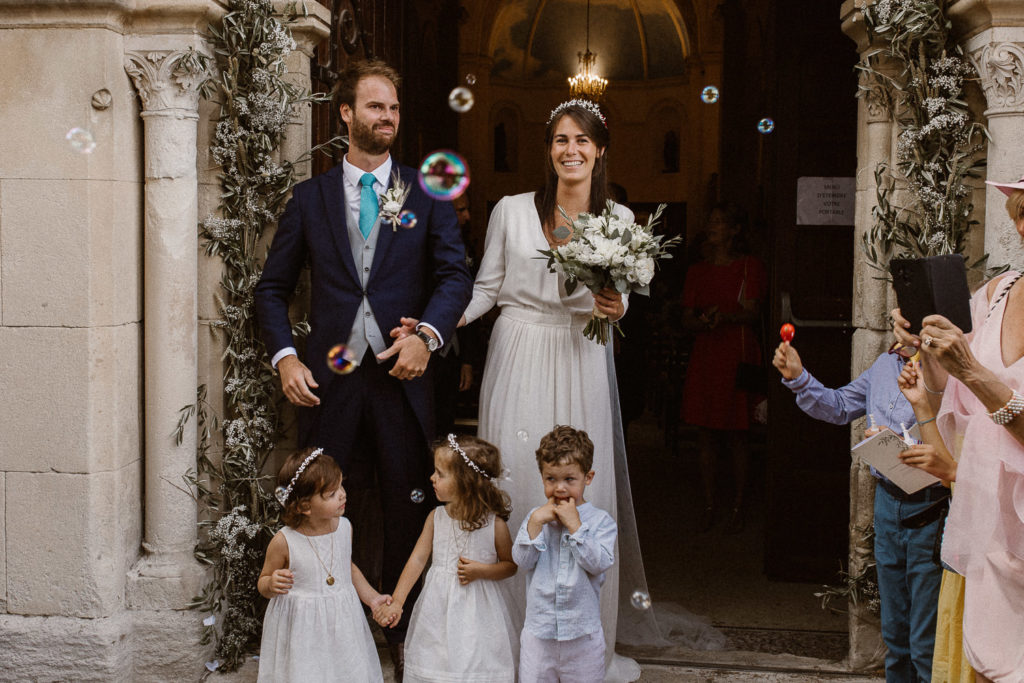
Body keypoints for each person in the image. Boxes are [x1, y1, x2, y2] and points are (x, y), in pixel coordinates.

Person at [253, 59, 473, 677]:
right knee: (321, 509)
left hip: (404, 382)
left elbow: (456, 276)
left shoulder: (425, 192)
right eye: (375, 106)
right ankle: (322, 644)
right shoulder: (311, 199)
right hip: (330, 383)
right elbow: (271, 290)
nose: (388, 118)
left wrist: (427, 336)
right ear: (345, 113)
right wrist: (285, 356)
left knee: (409, 505)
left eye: (394, 108)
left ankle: (400, 635)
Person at [456, 98, 650, 680]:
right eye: (561, 140)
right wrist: (445, 324)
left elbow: (617, 306)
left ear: (599, 151)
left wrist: (615, 308)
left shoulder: (618, 220)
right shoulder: (512, 211)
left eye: (582, 141)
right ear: (549, 150)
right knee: (515, 478)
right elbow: (487, 287)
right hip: (517, 350)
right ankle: (514, 645)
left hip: (581, 354)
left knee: (580, 492)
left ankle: (584, 646)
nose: (571, 150)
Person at [891, 173, 1024, 681]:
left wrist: (970, 369)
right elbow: (952, 389)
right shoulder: (995, 293)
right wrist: (925, 347)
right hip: (983, 523)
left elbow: (972, 374)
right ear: (1017, 220)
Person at [772, 339, 948, 681]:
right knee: (895, 635)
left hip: (931, 507)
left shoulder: (947, 371)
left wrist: (902, 444)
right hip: (887, 503)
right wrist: (798, 377)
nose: (898, 321)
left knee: (926, 641)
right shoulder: (884, 365)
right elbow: (839, 406)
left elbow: (958, 439)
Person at [374, 434, 518, 682]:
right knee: (436, 659)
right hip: (437, 607)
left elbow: (509, 566)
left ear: (466, 483)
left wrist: (482, 571)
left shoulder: (495, 525)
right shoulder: (436, 517)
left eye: (440, 474)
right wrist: (398, 600)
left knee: (474, 662)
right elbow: (417, 560)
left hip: (478, 612)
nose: (432, 478)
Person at [257, 448, 388, 682]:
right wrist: (271, 583)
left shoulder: (344, 527)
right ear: (304, 507)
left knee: (344, 669)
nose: (343, 495)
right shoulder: (284, 542)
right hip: (302, 628)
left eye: (341, 486)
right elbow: (263, 582)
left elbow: (346, 567)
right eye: (331, 493)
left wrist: (372, 598)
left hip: (342, 620)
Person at [681, 203, 765, 533]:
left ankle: (738, 504)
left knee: (737, 433)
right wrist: (703, 320)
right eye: (710, 220)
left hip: (737, 350)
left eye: (720, 221)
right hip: (707, 351)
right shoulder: (697, 271)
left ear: (734, 230)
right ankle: (709, 503)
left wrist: (725, 317)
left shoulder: (749, 266)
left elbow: (753, 312)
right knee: (705, 431)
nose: (712, 225)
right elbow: (686, 316)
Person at [512, 426, 617, 683]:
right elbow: (522, 561)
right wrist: (536, 522)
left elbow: (599, 563)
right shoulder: (536, 518)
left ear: (587, 477)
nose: (560, 488)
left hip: (583, 638)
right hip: (539, 635)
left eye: (569, 479)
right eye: (551, 479)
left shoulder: (601, 522)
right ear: (542, 477)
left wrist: (576, 527)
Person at [896, 360, 975, 682]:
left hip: (997, 551)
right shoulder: (961, 394)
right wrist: (919, 402)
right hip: (963, 543)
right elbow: (945, 472)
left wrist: (957, 472)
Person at [433, 192, 480, 435]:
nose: (467, 216)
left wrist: (467, 360)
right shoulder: (423, 244)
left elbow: (473, 305)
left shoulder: (466, 246)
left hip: (453, 352)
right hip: (423, 347)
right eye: (460, 210)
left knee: (445, 421)